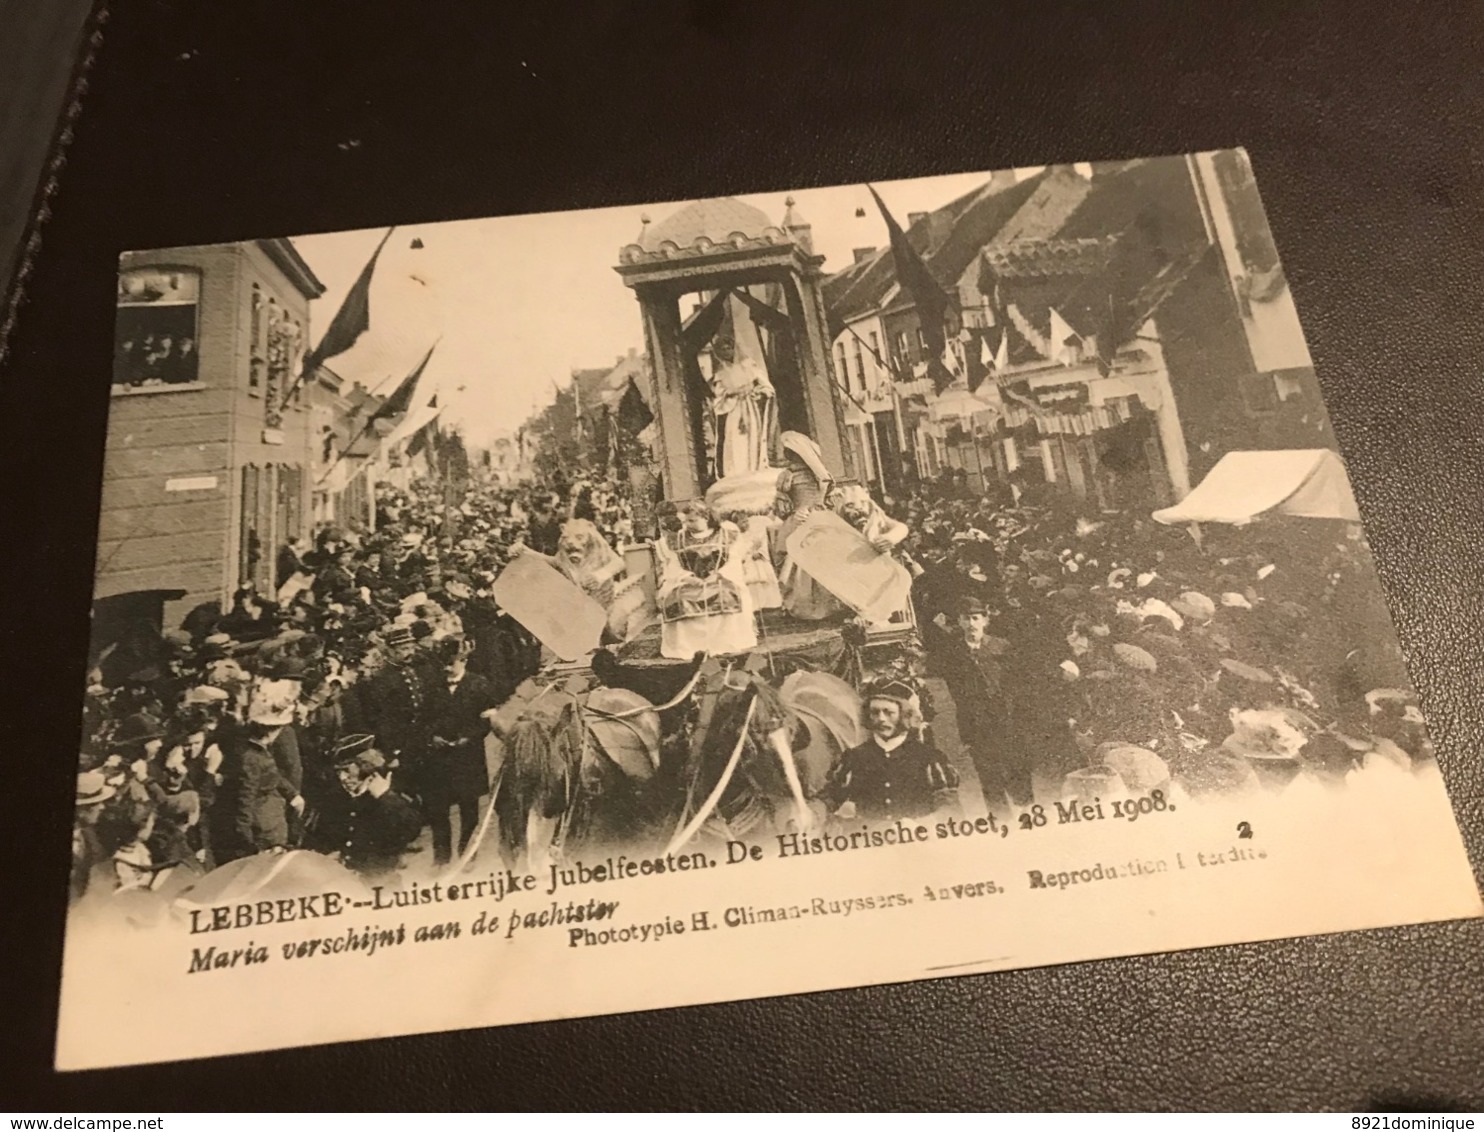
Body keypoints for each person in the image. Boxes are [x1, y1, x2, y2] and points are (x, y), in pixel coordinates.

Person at [917, 593, 1017, 816]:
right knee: (987, 773)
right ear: (960, 621)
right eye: (966, 618)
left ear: (985, 620)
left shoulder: (1002, 647)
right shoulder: (953, 653)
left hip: (1006, 719)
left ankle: (1022, 806)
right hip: (975, 722)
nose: (971, 623)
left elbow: (1016, 682)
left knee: (1011, 768)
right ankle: (1002, 818)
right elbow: (937, 672)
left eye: (975, 618)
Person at [825, 679, 959, 823]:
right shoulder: (853, 757)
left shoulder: (929, 758)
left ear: (904, 715)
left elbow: (951, 810)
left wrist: (922, 824)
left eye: (889, 713)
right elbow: (829, 799)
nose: (881, 719)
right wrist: (814, 813)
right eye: (874, 712)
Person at [420, 637, 495, 866]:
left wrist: (469, 737)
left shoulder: (479, 685)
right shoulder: (433, 686)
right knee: (438, 809)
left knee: (468, 808)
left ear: (463, 661)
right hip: (438, 758)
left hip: (468, 758)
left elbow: (486, 722)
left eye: (451, 664)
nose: (447, 669)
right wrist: (433, 737)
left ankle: (467, 853)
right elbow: (424, 719)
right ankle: (441, 856)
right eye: (443, 664)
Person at [322, 735, 423, 879]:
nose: (343, 778)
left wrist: (386, 797)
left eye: (347, 770)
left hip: (380, 881)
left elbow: (411, 830)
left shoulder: (387, 797)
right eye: (339, 772)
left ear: (366, 768)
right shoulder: (337, 797)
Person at [774, 431, 845, 621]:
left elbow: (782, 507)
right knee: (803, 561)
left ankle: (825, 605)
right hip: (807, 518)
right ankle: (807, 607)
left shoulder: (812, 475)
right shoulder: (814, 474)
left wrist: (797, 512)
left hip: (809, 517)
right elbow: (782, 506)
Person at [708, 335, 776, 479]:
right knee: (735, 440)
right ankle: (737, 472)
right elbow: (719, 398)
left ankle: (753, 468)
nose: (727, 352)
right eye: (723, 350)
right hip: (734, 411)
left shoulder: (748, 365)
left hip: (750, 408)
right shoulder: (721, 372)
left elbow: (767, 387)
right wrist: (731, 393)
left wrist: (758, 393)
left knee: (752, 438)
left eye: (729, 348)